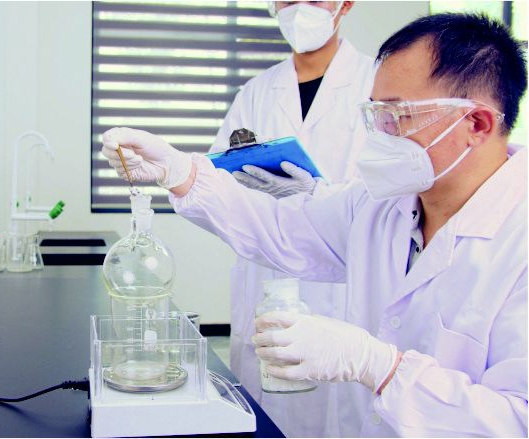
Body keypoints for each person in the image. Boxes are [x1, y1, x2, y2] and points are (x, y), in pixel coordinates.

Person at [102, 12, 527, 437]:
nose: (380, 136)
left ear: (476, 124)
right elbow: (285, 230)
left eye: (397, 116)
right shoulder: (381, 206)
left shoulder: (518, 238)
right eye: (375, 115)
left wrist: (379, 367)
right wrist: (180, 172)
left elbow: (516, 419)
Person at [208, 1, 374, 435]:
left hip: (339, 283)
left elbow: (388, 194)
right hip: (266, 274)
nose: (299, 8)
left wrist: (319, 195)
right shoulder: (256, 92)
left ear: (345, 4)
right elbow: (219, 183)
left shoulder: (376, 84)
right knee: (265, 413)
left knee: (339, 407)